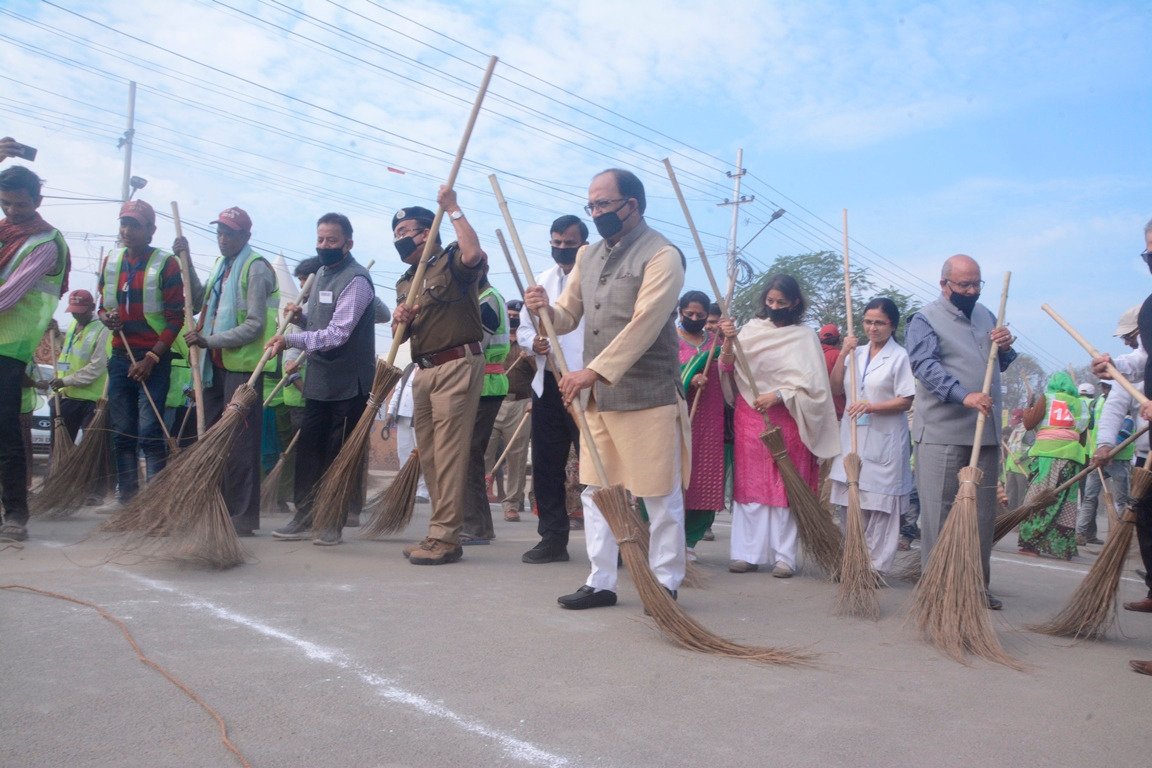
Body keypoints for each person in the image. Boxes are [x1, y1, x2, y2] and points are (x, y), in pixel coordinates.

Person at [525, 168, 688, 608]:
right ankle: (601, 582)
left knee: (657, 493)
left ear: (632, 205)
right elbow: (567, 317)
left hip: (647, 394)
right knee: (596, 492)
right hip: (598, 397)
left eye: (603, 204)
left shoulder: (663, 255)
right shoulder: (588, 255)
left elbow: (645, 325)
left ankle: (666, 581)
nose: (596, 212)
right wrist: (543, 310)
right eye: (591, 205)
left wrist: (590, 372)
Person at [905, 253, 1016, 609]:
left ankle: (975, 586)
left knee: (982, 517)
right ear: (944, 285)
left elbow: (997, 363)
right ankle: (936, 586)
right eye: (963, 285)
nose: (971, 291)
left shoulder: (986, 315)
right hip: (941, 433)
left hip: (984, 434)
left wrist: (1006, 346)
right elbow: (924, 366)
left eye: (976, 284)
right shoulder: (924, 319)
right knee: (938, 515)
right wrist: (962, 394)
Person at [718, 275, 839, 577]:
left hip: (790, 416)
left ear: (794, 303)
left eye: (781, 303)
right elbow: (728, 367)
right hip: (751, 414)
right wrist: (729, 341)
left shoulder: (805, 336)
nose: (774, 307)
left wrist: (781, 394)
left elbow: (814, 386)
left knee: (786, 485)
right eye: (770, 302)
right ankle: (747, 554)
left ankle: (785, 557)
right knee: (752, 485)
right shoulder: (751, 330)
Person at [390, 189, 487, 566]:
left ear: (428, 232)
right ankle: (440, 530)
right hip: (424, 370)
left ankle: (444, 538)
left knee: (449, 453)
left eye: (408, 230)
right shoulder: (405, 281)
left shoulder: (449, 263)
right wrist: (404, 320)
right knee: (429, 454)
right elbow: (410, 332)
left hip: (456, 365)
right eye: (395, 232)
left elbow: (473, 255)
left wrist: (453, 209)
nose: (400, 238)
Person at [267, 212, 376, 545]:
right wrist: (301, 318)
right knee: (309, 453)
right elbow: (319, 324)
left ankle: (332, 520)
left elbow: (338, 333)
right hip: (319, 382)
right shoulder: (318, 276)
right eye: (320, 240)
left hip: (348, 385)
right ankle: (305, 514)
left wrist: (290, 339)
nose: (325, 246)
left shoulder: (356, 280)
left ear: (348, 243)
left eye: (332, 240)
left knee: (338, 456)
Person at [180, 207, 278, 536]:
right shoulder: (222, 267)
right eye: (219, 232)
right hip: (213, 368)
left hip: (243, 369)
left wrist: (209, 340)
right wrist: (186, 259)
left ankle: (243, 516)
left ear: (245, 237)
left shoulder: (256, 268)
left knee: (239, 443)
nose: (223, 238)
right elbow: (196, 301)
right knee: (209, 437)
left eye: (230, 233)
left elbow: (254, 325)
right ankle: (216, 506)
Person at [1090, 224, 1152, 675]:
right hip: (1147, 454)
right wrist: (1114, 367)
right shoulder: (1150, 309)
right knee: (1148, 529)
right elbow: (1144, 362)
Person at [98, 200, 186, 505]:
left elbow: (177, 318)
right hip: (121, 355)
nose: (127, 230)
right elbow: (101, 306)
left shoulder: (166, 264)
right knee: (122, 432)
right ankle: (129, 500)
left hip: (153, 360)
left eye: (135, 225)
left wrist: (152, 357)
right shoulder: (112, 261)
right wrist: (106, 318)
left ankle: (155, 502)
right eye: (124, 223)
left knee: (150, 430)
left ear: (151, 230)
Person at [0, 162, 70, 541]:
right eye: (5, 203)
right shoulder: (4, 232)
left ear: (38, 201)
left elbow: (9, 295)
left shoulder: (44, 243)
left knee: (6, 432)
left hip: (8, 350)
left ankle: (15, 514)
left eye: (20, 206)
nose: (12, 211)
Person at [517, 214, 588, 564]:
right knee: (547, 463)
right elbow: (524, 332)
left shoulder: (594, 278)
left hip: (586, 380)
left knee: (595, 464)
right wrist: (537, 344)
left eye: (569, 243)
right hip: (548, 381)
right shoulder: (539, 283)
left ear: (583, 244)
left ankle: (611, 540)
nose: (562, 249)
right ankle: (553, 538)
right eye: (556, 243)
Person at [827, 297, 916, 576]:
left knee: (880, 510)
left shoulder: (900, 356)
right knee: (851, 503)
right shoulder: (856, 352)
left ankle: (875, 568)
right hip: (853, 437)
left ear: (891, 325)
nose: (872, 328)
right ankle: (853, 560)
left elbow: (906, 400)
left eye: (879, 322)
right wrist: (843, 352)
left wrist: (871, 406)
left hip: (884, 438)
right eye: (868, 321)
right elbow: (835, 388)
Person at [675, 290, 726, 560]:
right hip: (676, 415)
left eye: (700, 315)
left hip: (709, 417)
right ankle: (664, 537)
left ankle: (689, 541)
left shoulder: (715, 341)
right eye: (689, 314)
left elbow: (728, 368)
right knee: (671, 477)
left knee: (702, 479)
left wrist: (728, 341)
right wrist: (690, 378)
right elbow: (664, 373)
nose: (694, 318)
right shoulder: (669, 340)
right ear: (680, 311)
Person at [1016, 372, 1089, 559]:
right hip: (1071, 460)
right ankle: (1061, 547)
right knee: (1065, 503)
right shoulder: (1080, 404)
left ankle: (1030, 544)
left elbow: (1029, 423)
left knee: (1037, 498)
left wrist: (1028, 409)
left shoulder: (1047, 398)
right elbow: (1082, 437)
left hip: (1046, 457)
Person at [460, 266, 508, 545]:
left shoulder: (487, 300)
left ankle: (474, 526)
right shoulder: (479, 299)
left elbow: (474, 344)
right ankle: (481, 526)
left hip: (485, 384)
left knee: (469, 454)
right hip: (481, 384)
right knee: (470, 454)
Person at [484, 299, 533, 523]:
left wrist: (534, 401)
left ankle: (512, 504)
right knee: (484, 451)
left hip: (521, 404)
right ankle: (481, 496)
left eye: (516, 315)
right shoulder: (497, 338)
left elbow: (539, 375)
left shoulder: (528, 343)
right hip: (493, 401)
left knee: (516, 456)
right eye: (510, 314)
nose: (512, 318)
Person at [47, 289, 109, 441]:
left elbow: (96, 367)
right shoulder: (74, 324)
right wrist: (56, 335)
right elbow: (67, 352)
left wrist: (65, 381)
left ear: (92, 307)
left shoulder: (103, 329)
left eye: (81, 312)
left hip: (90, 401)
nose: (77, 315)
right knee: (59, 446)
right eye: (74, 312)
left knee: (89, 449)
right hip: (66, 396)